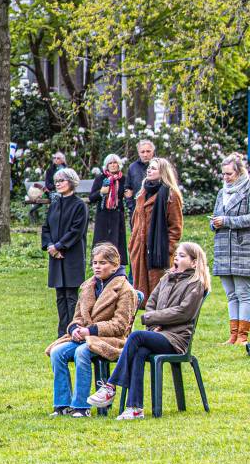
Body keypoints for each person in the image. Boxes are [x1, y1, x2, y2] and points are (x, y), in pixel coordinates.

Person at [88, 242, 209, 419]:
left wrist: (152, 319)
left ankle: (110, 386)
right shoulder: (166, 279)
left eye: (182, 256)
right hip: (157, 334)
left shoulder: (195, 284)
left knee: (136, 337)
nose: (176, 257)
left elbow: (184, 312)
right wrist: (153, 326)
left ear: (194, 263)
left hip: (176, 340)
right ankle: (135, 408)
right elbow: (150, 303)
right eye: (176, 254)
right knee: (139, 351)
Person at [43, 243, 135, 417]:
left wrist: (91, 331)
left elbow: (120, 326)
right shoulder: (87, 286)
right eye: (94, 263)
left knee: (82, 352)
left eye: (102, 263)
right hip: (85, 337)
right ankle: (62, 405)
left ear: (115, 265)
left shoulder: (125, 289)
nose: (97, 267)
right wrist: (75, 329)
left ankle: (81, 407)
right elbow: (77, 317)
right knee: (57, 352)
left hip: (112, 340)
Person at [129, 157, 183, 306]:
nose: (149, 170)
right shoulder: (142, 193)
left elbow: (175, 228)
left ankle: (157, 328)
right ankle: (146, 327)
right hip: (139, 253)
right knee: (140, 299)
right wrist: (133, 244)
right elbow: (135, 222)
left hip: (158, 253)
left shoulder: (171, 195)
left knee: (159, 298)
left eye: (153, 168)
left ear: (163, 172)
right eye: (149, 168)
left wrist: (167, 249)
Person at [42, 168, 89, 336]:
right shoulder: (55, 205)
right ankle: (62, 333)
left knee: (71, 297)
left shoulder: (79, 205)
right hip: (55, 256)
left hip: (72, 255)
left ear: (71, 182)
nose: (58, 184)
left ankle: (73, 331)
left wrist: (60, 246)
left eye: (62, 180)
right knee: (60, 296)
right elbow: (46, 227)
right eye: (56, 181)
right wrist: (50, 246)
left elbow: (76, 231)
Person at [211, 154, 250, 345]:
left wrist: (227, 221)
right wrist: (215, 223)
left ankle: (243, 336)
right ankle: (233, 334)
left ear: (240, 171)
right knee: (230, 295)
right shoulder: (222, 192)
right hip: (223, 248)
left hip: (243, 247)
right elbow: (218, 215)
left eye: (229, 174)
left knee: (244, 293)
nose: (226, 177)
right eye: (223, 174)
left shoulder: (248, 190)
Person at [89, 154, 129, 266]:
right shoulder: (101, 178)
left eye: (115, 162)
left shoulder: (123, 179)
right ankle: (100, 264)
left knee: (117, 242)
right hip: (103, 214)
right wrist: (101, 192)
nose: (112, 165)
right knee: (101, 242)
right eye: (110, 163)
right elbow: (92, 198)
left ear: (118, 164)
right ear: (106, 165)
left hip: (117, 214)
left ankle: (116, 265)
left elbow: (127, 194)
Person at [126, 140, 155, 222]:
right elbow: (127, 188)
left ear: (153, 151)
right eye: (142, 152)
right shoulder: (132, 167)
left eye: (148, 151)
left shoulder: (160, 165)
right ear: (139, 153)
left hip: (155, 207)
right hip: (137, 208)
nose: (145, 154)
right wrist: (131, 205)